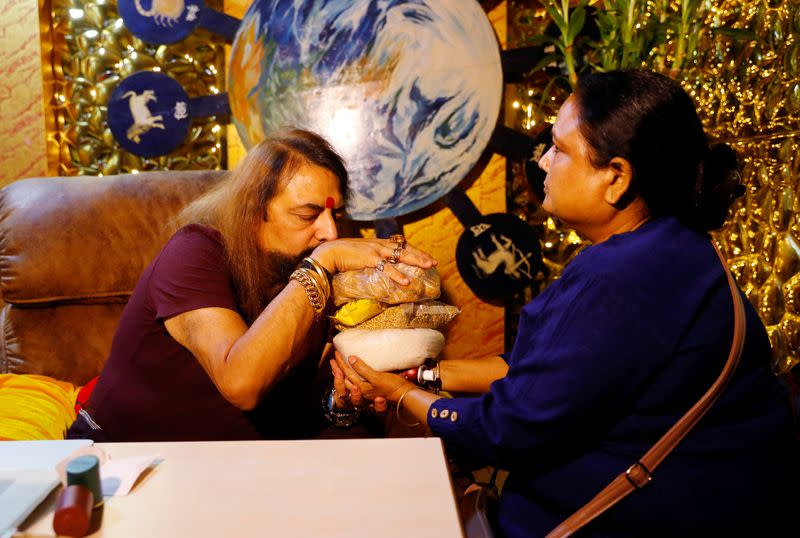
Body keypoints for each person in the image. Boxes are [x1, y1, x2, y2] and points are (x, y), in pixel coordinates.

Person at [332, 70, 799, 537]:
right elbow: (538, 371)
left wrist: (400, 396)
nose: (543, 163)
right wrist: (423, 375)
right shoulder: (679, 249)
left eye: (560, 149)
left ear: (615, 178)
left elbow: (509, 427)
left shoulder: (621, 275)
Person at [66, 128, 435, 442]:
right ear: (254, 210)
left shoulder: (301, 277)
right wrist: (323, 263)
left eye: (334, 213)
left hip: (232, 469)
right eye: (308, 214)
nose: (331, 232)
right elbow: (241, 383)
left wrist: (338, 402)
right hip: (123, 463)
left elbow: (298, 405)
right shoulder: (195, 253)